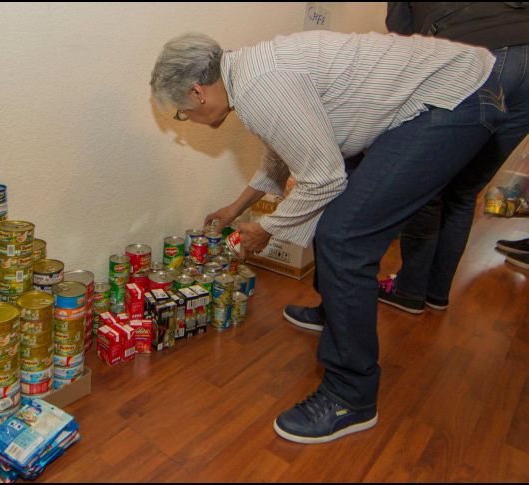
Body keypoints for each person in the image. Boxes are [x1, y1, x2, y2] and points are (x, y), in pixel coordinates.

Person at [151, 30, 502, 443]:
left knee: (343, 237)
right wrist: (236, 208)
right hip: (461, 84)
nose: (185, 121)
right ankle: (335, 311)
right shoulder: (248, 76)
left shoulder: (259, 87)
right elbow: (284, 151)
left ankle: (351, 395)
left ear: (197, 92)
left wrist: (267, 228)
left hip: (452, 99)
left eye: (181, 113)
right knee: (341, 209)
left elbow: (323, 179)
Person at [283, 2, 529, 330]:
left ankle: (409, 290)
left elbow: (404, 37)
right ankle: (434, 294)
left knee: (421, 194)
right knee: (464, 192)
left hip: (475, 55)